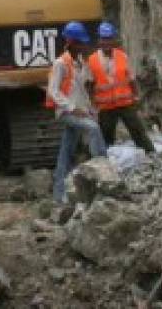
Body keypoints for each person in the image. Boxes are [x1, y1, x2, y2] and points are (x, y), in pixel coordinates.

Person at [46, 20, 106, 203]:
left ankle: (59, 194)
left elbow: (82, 90)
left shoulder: (79, 62)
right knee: (93, 129)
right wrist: (72, 108)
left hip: (79, 111)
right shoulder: (60, 63)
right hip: (66, 113)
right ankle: (104, 171)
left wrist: (90, 109)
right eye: (80, 42)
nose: (83, 46)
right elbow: (53, 91)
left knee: (66, 151)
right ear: (71, 42)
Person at [88, 22, 156, 154]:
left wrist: (136, 96)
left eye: (109, 39)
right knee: (106, 137)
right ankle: (104, 163)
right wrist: (92, 105)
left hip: (125, 104)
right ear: (99, 40)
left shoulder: (122, 56)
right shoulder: (92, 60)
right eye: (104, 39)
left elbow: (131, 79)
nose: (106, 42)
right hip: (105, 107)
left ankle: (151, 154)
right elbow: (89, 85)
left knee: (138, 131)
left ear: (113, 40)